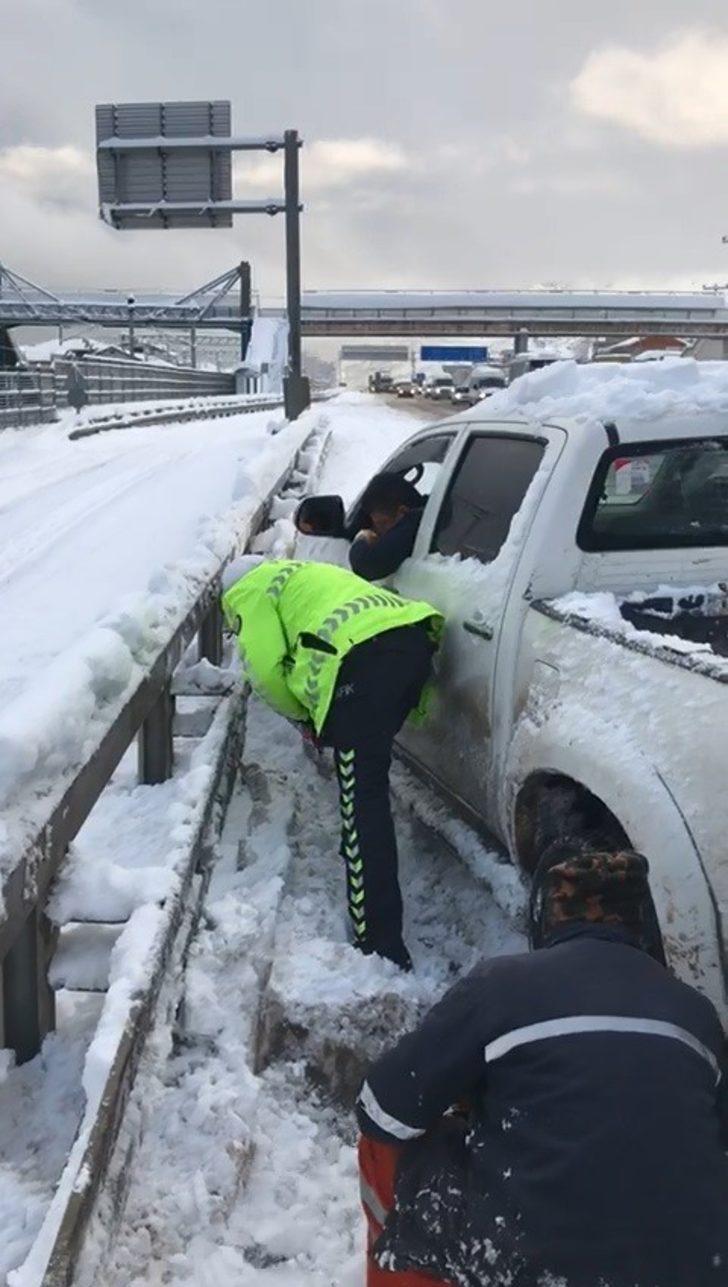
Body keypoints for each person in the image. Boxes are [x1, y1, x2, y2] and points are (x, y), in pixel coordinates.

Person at [356, 844, 728, 1287]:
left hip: (535, 1270)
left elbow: (382, 1110)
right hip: (694, 1270)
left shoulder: (502, 985)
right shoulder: (696, 1013)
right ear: (644, 925)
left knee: (381, 1150)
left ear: (548, 918)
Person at [221, 556, 443, 971]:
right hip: (412, 645)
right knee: (366, 781)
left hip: (362, 665)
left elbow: (266, 673)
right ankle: (364, 872)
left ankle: (378, 941)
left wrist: (305, 719)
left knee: (363, 798)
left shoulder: (248, 592)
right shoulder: (300, 573)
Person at [349, 472, 425, 581]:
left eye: (382, 523)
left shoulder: (414, 522)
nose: (378, 532)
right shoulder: (437, 511)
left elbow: (365, 564)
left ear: (402, 511)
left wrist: (362, 537)